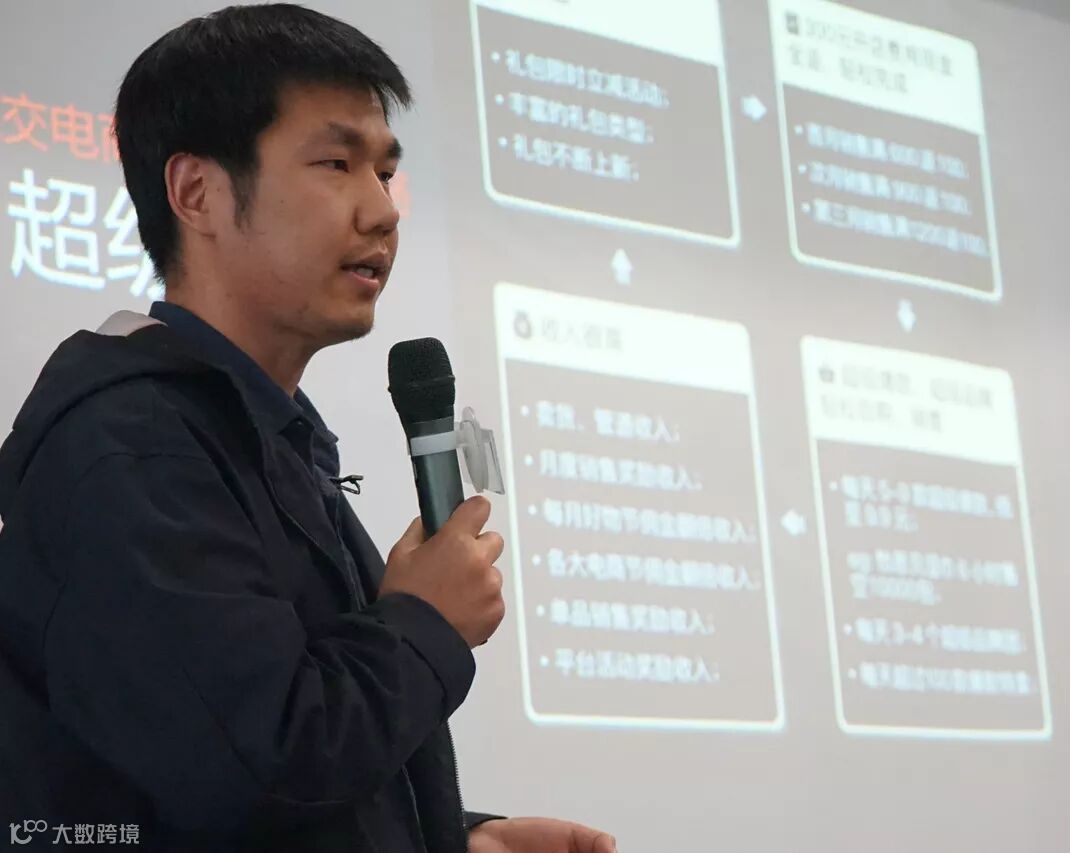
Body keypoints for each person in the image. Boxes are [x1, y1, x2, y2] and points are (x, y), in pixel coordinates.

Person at [0, 5, 617, 852]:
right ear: (196, 193)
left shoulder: (258, 433)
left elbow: (258, 763)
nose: (384, 211)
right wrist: (425, 623)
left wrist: (453, 838)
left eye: (386, 171)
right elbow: (256, 767)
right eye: (336, 163)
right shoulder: (129, 443)